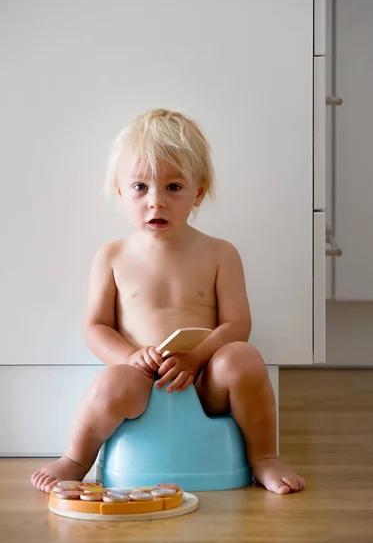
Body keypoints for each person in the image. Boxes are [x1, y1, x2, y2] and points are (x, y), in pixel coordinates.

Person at [31, 108, 305, 494]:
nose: (155, 202)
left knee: (243, 357)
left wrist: (198, 358)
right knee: (110, 384)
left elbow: (237, 324)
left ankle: (263, 457)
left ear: (199, 191)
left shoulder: (220, 253)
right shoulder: (112, 256)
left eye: (173, 187)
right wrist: (129, 357)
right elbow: (95, 327)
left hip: (204, 378)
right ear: (121, 191)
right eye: (140, 187)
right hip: (140, 378)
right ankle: (75, 459)